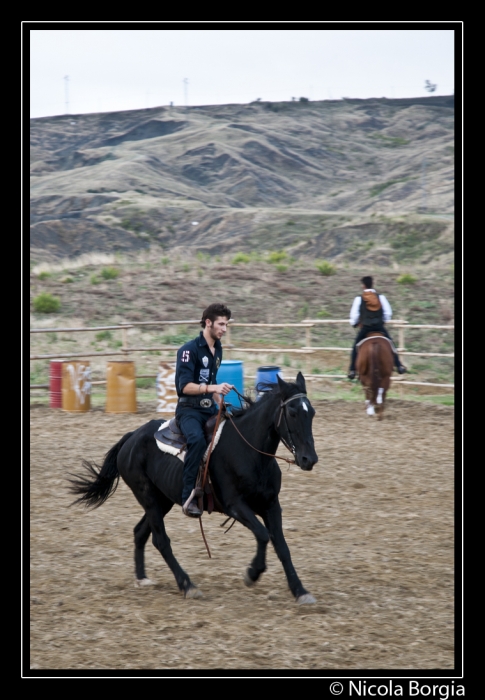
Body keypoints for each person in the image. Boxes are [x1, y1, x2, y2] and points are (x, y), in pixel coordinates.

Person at [175, 303, 234, 517]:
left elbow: (210, 381)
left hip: (209, 408)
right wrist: (213, 388)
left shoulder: (217, 349)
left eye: (226, 324)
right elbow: (184, 387)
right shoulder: (188, 351)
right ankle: (187, 496)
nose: (224, 329)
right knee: (198, 441)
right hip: (188, 411)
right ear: (208, 322)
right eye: (221, 324)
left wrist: (219, 399)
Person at [347, 276, 407, 380]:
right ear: (372, 284)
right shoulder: (380, 297)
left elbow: (354, 317)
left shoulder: (359, 299)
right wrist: (382, 321)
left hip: (365, 328)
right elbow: (388, 313)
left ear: (363, 286)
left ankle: (352, 370)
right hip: (379, 327)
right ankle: (399, 365)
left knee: (355, 347)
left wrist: (355, 323)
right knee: (391, 344)